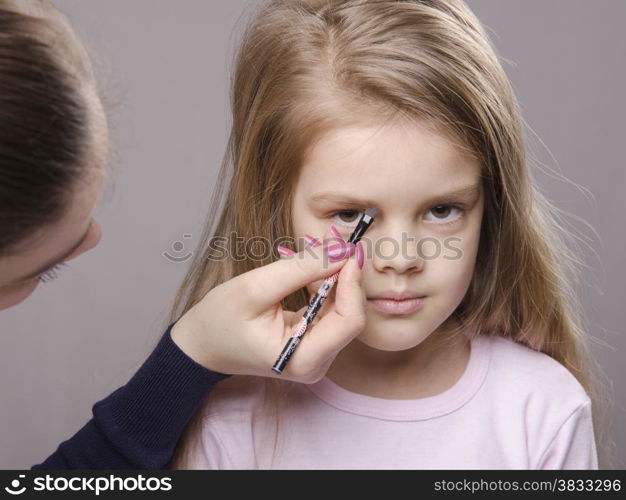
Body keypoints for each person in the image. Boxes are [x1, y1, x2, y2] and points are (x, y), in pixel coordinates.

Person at [169, 0, 604, 469]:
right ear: (279, 211)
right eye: (351, 213)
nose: (401, 259)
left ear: (492, 207)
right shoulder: (230, 417)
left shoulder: (541, 410)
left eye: (442, 210)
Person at [1, 0, 363, 469]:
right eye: (41, 271)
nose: (93, 238)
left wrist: (189, 357)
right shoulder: (227, 434)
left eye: (441, 209)